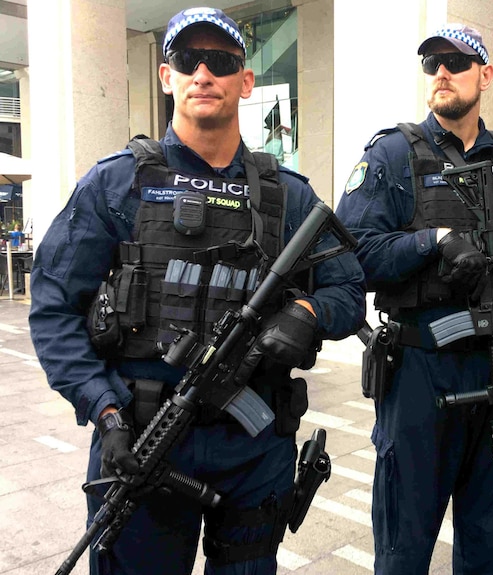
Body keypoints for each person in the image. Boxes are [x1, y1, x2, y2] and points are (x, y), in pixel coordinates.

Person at [28, 7, 364, 574]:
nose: (204, 73)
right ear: (167, 76)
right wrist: (103, 410)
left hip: (253, 442)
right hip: (142, 437)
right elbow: (54, 308)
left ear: (245, 81)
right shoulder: (117, 182)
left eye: (223, 62)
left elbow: (348, 288)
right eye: (188, 60)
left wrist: (308, 311)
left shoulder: (288, 196)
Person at [335, 24, 493, 574]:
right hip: (420, 373)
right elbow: (351, 255)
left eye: (456, 62)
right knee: (404, 548)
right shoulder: (393, 155)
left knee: (492, 549)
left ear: (485, 76)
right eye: (432, 64)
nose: (441, 72)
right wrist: (434, 241)